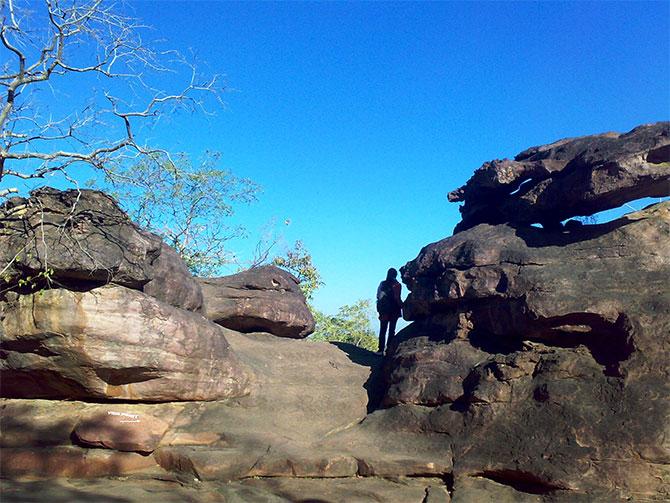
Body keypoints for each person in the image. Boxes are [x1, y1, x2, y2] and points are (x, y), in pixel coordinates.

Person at [376, 267, 402, 355]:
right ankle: (389, 351)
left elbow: (378, 296)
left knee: (383, 330)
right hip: (394, 310)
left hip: (384, 310)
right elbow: (397, 298)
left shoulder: (382, 283)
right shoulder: (397, 285)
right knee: (392, 331)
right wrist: (403, 306)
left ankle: (380, 350)